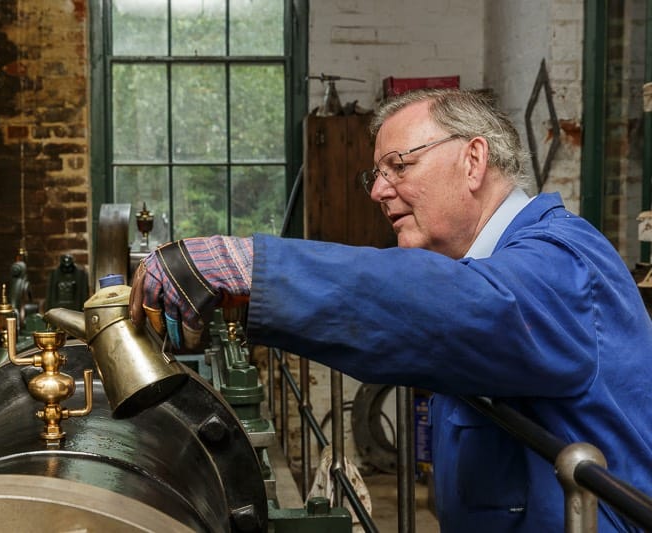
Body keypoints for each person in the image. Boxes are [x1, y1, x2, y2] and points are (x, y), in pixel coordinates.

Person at [129, 88, 652, 532]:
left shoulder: (564, 260)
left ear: (473, 160)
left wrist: (250, 266)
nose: (379, 191)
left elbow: (465, 307)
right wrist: (248, 304)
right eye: (374, 175)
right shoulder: (480, 264)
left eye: (399, 166)